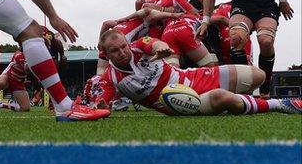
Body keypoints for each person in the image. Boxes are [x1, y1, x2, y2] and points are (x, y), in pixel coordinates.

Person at [95, 29, 301, 115]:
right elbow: (101, 107)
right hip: (181, 100)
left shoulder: (139, 45)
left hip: (191, 76)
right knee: (223, 98)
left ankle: (239, 103)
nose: (123, 52)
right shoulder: (110, 78)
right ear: (105, 53)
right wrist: (101, 106)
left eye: (124, 46)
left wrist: (161, 49)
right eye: (115, 50)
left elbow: (156, 44)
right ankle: (280, 105)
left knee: (259, 75)